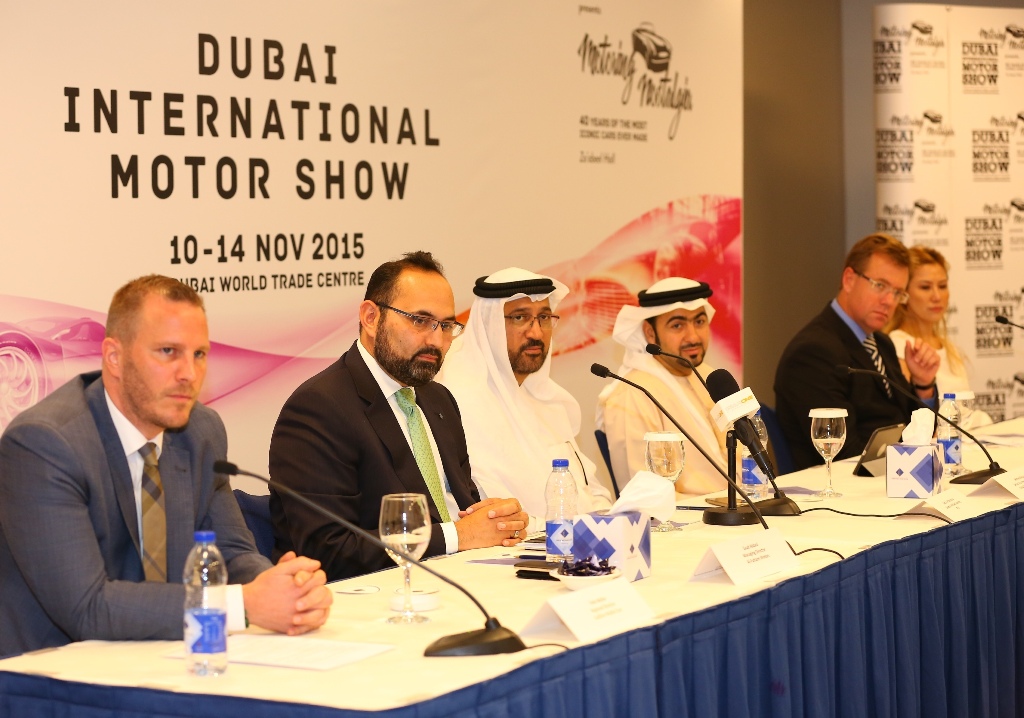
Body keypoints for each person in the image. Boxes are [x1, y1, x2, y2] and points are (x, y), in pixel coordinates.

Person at [0, 275, 332, 658]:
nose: (188, 373)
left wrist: (282, 588)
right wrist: (244, 604)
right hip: (48, 671)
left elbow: (231, 551)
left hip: (162, 653)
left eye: (199, 354)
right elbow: (87, 607)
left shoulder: (200, 431)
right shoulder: (45, 444)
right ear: (114, 357)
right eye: (168, 351)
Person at [269, 252, 528, 581]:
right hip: (380, 595)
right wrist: (459, 535)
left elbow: (462, 508)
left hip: (465, 575)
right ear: (371, 317)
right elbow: (326, 550)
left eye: (446, 326)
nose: (436, 340)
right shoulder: (318, 408)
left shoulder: (439, 400)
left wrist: (496, 522)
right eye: (420, 321)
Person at [438, 268, 612, 533]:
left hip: (575, 541)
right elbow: (491, 514)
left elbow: (592, 490)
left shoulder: (550, 401)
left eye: (544, 318)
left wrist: (607, 521)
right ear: (489, 325)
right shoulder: (457, 401)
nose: (536, 333)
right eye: (520, 318)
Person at [774, 234, 940, 470]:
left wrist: (923, 385)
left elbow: (918, 430)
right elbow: (844, 453)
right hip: (844, 485)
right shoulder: (813, 352)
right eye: (880, 285)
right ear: (849, 279)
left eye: (897, 293)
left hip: (894, 476)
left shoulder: (881, 343)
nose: (889, 301)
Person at [595, 277, 729, 495]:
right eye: (677, 325)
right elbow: (646, 496)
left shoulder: (710, 377)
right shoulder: (633, 394)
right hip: (693, 515)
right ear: (650, 333)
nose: (693, 336)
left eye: (699, 321)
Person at [884, 245, 991, 428]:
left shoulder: (950, 348)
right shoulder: (898, 345)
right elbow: (908, 417)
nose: (937, 296)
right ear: (903, 293)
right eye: (925, 287)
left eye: (942, 286)